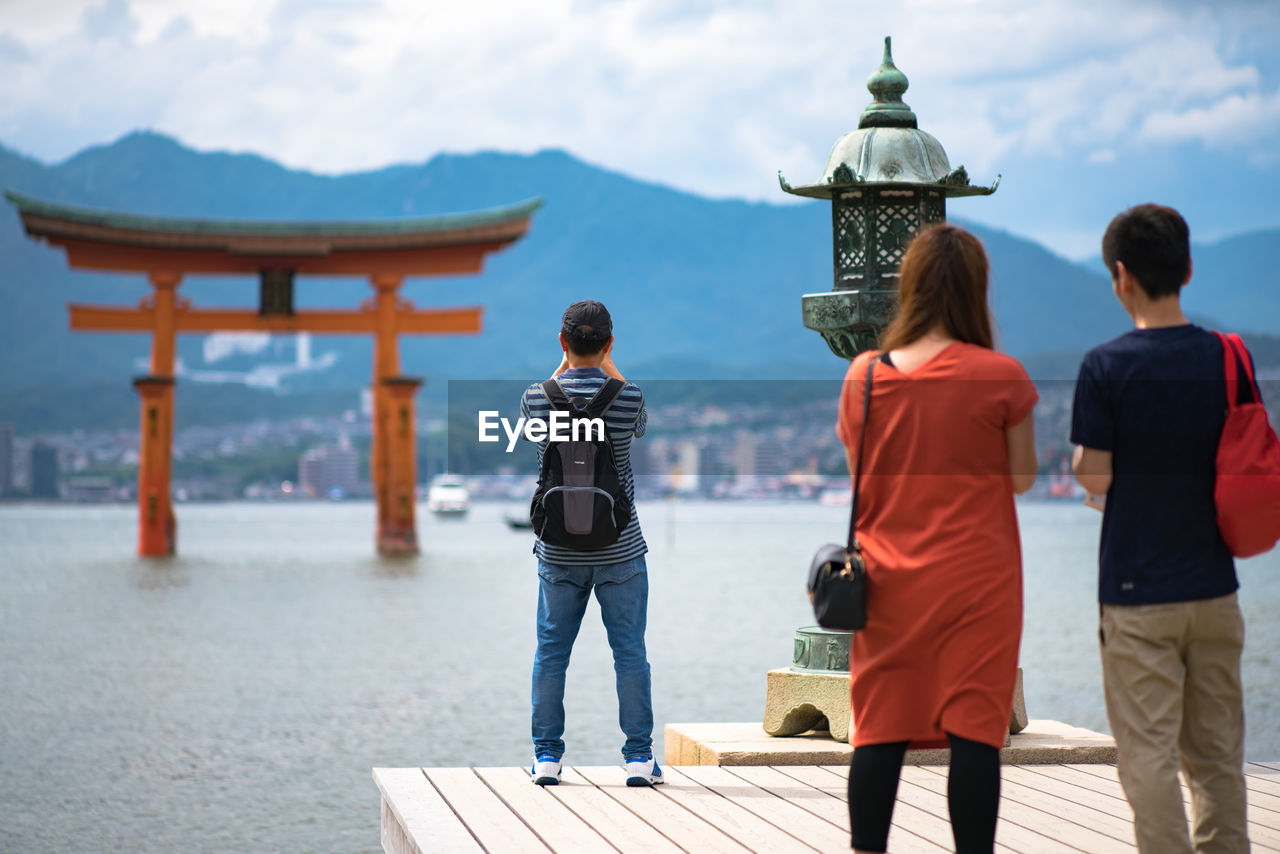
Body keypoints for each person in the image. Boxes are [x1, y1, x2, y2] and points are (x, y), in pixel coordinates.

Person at [836, 224, 1038, 854]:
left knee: (880, 731)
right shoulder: (1000, 375)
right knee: (975, 734)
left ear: (911, 288)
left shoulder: (865, 377)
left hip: (890, 583)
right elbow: (1024, 479)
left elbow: (861, 480)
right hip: (979, 583)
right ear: (976, 291)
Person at [1071, 203, 1248, 853]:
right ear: (1188, 270)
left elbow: (1093, 474)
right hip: (1214, 586)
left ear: (1121, 277)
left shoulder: (1105, 367)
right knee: (1218, 756)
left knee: (1147, 756)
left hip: (1137, 592)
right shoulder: (1228, 357)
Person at [520, 300, 661, 787]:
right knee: (629, 653)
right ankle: (639, 759)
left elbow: (533, 425)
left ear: (562, 343)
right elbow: (639, 427)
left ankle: (546, 758)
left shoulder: (538, 397)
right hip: (621, 548)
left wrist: (563, 368)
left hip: (557, 551)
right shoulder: (628, 397)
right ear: (608, 344)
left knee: (551, 654)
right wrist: (609, 367)